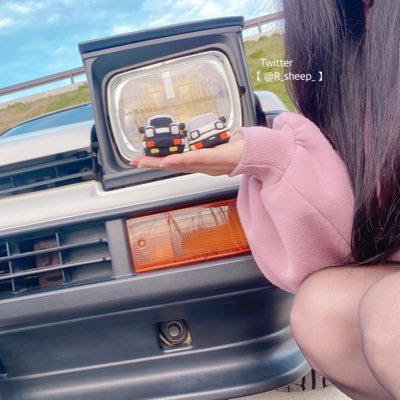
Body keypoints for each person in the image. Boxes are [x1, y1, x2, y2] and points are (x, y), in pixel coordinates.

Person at [131, 0, 400, 398]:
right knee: (321, 310)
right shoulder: (352, 74)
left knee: (389, 314)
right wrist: (268, 157)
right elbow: (352, 241)